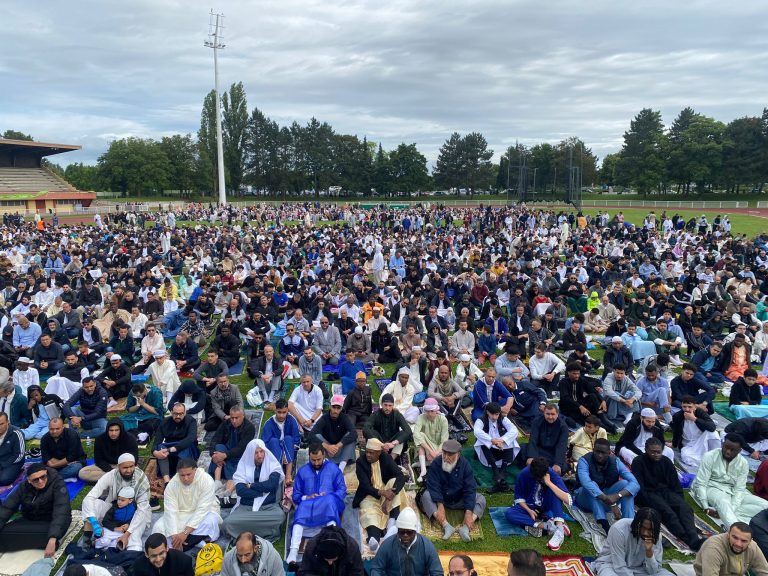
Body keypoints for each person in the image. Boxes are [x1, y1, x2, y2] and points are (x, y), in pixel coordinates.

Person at [633, 437, 705, 551]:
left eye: (659, 452)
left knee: (685, 509)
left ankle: (694, 537)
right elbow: (639, 488)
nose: (656, 454)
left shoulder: (666, 461)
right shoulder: (638, 462)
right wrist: (651, 503)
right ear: (646, 450)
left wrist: (679, 501)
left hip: (666, 491)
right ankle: (689, 540)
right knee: (668, 513)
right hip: (648, 493)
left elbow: (675, 485)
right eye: (653, 452)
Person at [285, 443, 347, 564]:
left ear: (324, 455)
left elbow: (342, 490)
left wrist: (329, 496)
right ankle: (293, 551)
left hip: (329, 503)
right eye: (313, 460)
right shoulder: (302, 471)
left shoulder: (334, 469)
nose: (316, 463)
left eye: (319, 459)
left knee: (329, 502)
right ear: (309, 457)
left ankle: (331, 541)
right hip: (309, 505)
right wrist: (307, 497)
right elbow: (296, 495)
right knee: (302, 507)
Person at [692, 434, 768, 528]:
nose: (728, 452)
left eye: (732, 450)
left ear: (739, 451)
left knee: (765, 505)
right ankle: (739, 533)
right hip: (712, 487)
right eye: (726, 447)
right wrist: (705, 507)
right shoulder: (710, 456)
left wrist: (732, 507)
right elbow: (701, 483)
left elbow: (739, 489)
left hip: (733, 491)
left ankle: (728, 513)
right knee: (723, 502)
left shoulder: (743, 463)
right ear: (723, 444)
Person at [82, 453, 151, 552]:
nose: (129, 470)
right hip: (115, 510)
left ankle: (130, 557)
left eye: (131, 466)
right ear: (118, 467)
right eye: (125, 467)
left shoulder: (141, 479)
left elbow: (142, 509)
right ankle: (87, 540)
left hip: (136, 514)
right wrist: (94, 522)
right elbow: (89, 498)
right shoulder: (111, 475)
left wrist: (127, 533)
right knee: (94, 503)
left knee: (133, 539)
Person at [420, 438, 485, 542]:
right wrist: (440, 506)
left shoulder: (465, 465)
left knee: (481, 498)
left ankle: (465, 528)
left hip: (459, 499)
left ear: (458, 454)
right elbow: (433, 485)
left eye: (450, 455)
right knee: (426, 495)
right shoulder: (436, 463)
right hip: (442, 499)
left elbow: (470, 489)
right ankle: (446, 526)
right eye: (444, 453)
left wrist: (468, 513)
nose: (446, 458)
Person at [0, 464, 71, 557]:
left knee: (47, 536)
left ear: (46, 473)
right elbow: (7, 507)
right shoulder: (23, 486)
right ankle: (38, 541)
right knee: (3, 532)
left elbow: (61, 510)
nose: (40, 481)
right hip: (30, 520)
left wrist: (53, 538)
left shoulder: (57, 483)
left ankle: (48, 541)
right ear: (29, 481)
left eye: (43, 477)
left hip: (51, 522)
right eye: (36, 480)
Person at [223, 438, 285, 542]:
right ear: (250, 454)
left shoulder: (273, 465)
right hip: (246, 507)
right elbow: (241, 491)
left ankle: (245, 532)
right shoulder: (243, 467)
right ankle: (262, 531)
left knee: (280, 516)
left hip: (268, 507)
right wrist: (263, 492)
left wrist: (251, 485)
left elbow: (271, 485)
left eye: (261, 451)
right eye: (256, 453)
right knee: (227, 523)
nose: (260, 455)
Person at [152, 458, 222, 550]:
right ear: (178, 473)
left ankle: (181, 546)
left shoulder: (207, 480)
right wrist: (174, 535)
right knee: (158, 527)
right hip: (181, 514)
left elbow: (202, 509)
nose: (185, 478)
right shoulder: (172, 485)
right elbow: (170, 511)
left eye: (189, 474)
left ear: (195, 470)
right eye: (182, 475)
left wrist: (184, 533)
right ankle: (192, 542)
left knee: (211, 521)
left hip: (205, 513)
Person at [504, 457, 572, 550]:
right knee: (509, 514)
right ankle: (549, 526)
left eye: (541, 477)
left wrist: (548, 483)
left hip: (546, 505)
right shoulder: (523, 474)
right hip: (529, 507)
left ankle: (559, 530)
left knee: (555, 492)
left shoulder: (551, 473)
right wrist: (529, 511)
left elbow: (568, 500)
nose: (539, 479)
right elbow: (519, 498)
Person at [576, 438, 641, 534]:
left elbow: (635, 484)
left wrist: (617, 496)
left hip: (608, 499)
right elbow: (586, 483)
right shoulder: (584, 461)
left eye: (603, 452)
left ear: (609, 453)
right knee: (592, 486)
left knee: (626, 485)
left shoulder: (616, 462)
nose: (599, 455)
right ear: (593, 450)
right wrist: (611, 502)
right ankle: (605, 525)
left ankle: (629, 523)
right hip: (585, 500)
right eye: (597, 452)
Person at [353, 437, 407, 551]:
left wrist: (389, 496)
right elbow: (364, 486)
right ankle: (374, 540)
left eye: (371, 453)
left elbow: (401, 476)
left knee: (395, 485)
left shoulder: (386, 458)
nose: (368, 455)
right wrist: (383, 493)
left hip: (386, 493)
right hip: (369, 495)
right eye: (367, 452)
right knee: (370, 515)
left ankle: (391, 526)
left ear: (379, 453)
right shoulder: (360, 462)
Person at [591, 509, 675, 576]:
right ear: (636, 523)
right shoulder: (619, 529)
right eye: (642, 527)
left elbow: (653, 571)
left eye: (650, 530)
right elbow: (619, 565)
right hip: (612, 566)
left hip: (640, 570)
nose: (645, 533)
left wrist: (649, 552)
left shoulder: (656, 536)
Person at [369, 507, 443, 576]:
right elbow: (376, 569)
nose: (405, 535)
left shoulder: (427, 547)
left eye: (409, 532)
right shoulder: (387, 545)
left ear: (415, 531)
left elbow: (437, 572)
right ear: (397, 530)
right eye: (401, 532)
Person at [473, 401, 520, 493]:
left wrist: (502, 440)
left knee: (511, 440)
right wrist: (492, 440)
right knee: (481, 441)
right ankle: (495, 469)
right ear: (487, 412)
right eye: (492, 414)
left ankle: (503, 469)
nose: (494, 417)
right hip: (489, 449)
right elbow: (477, 431)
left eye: (497, 414)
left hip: (501, 447)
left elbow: (514, 430)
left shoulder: (503, 419)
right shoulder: (481, 420)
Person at [208, 405, 256, 489]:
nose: (233, 421)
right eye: (232, 418)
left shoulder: (249, 428)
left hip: (239, 455)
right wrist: (213, 455)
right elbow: (215, 440)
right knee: (219, 447)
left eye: (236, 418)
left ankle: (228, 483)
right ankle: (217, 481)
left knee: (237, 469)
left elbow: (241, 448)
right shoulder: (226, 423)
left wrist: (224, 456)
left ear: (243, 416)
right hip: (225, 451)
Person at [694, 522, 768, 576]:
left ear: (750, 541)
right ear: (728, 534)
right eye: (735, 537)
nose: (738, 544)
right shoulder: (714, 548)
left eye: (744, 541)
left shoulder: (752, 547)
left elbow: (765, 571)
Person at [79, 418, 139, 483]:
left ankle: (113, 478)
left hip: (124, 465)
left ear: (121, 430)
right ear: (107, 430)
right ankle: (118, 478)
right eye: (111, 430)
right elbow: (99, 460)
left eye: (116, 430)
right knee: (82, 473)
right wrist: (111, 471)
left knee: (136, 472)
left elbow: (134, 459)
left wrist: (123, 468)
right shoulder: (100, 439)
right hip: (106, 466)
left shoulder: (130, 439)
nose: (113, 433)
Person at [152, 402, 199, 484]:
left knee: (185, 448)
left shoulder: (191, 421)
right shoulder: (165, 422)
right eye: (175, 414)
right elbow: (157, 442)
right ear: (171, 412)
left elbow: (190, 439)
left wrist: (170, 450)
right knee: (160, 447)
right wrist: (155, 452)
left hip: (185, 447)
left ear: (185, 413)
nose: (178, 416)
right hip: (169, 447)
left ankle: (180, 478)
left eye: (181, 414)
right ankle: (167, 481)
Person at [308, 394, 357, 472]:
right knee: (317, 436)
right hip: (326, 450)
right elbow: (311, 435)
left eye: (338, 408)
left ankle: (340, 469)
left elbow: (354, 433)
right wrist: (327, 447)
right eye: (334, 407)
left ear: (341, 408)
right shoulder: (324, 418)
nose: (336, 411)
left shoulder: (344, 417)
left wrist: (337, 446)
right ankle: (326, 463)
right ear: (330, 406)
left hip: (340, 448)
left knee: (351, 437)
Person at [671, 395, 720, 471]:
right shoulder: (678, 416)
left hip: (701, 440)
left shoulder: (700, 413)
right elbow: (676, 432)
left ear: (694, 406)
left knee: (713, 434)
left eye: (690, 407)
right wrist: (674, 444)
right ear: (681, 406)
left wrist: (694, 419)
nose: (687, 409)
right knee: (686, 456)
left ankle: (716, 457)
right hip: (688, 444)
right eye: (684, 407)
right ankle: (708, 463)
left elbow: (712, 427)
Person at [297, 524, 364, 576]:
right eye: (327, 560)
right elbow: (305, 571)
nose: (330, 563)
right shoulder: (312, 546)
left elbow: (357, 572)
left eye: (333, 559)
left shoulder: (352, 548)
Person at [363, 393, 413, 459]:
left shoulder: (397, 414)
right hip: (379, 443)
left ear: (393, 405)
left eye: (390, 405)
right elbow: (365, 429)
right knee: (371, 432)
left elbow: (408, 431)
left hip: (393, 444)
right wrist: (381, 444)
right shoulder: (375, 414)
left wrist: (393, 443)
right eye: (385, 405)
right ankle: (379, 456)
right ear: (381, 404)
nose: (387, 408)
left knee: (403, 434)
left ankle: (391, 460)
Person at [523, 404, 570, 474]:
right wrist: (531, 456)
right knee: (522, 448)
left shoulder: (563, 426)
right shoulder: (537, 421)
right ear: (544, 413)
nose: (550, 417)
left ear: (557, 414)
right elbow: (533, 439)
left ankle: (539, 466)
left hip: (552, 453)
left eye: (553, 414)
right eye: (547, 414)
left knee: (562, 467)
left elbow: (561, 446)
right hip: (539, 450)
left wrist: (557, 464)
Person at [262, 398, 301, 481]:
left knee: (288, 438)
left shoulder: (292, 420)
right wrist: (281, 452)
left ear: (287, 411)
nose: (281, 415)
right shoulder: (269, 423)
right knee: (274, 441)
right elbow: (265, 444)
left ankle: (288, 476)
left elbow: (297, 441)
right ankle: (279, 474)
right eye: (279, 412)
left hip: (290, 454)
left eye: (284, 412)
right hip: (274, 456)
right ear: (275, 410)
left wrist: (285, 454)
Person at [413, 397, 449, 482]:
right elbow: (416, 434)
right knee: (420, 435)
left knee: (444, 464)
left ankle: (423, 464)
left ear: (436, 410)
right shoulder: (421, 417)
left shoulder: (443, 419)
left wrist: (436, 453)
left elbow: (444, 439)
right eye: (427, 411)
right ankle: (423, 470)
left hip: (439, 448)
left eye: (432, 411)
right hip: (426, 445)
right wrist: (429, 451)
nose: (429, 414)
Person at [221, 531, 285, 576]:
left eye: (247, 555)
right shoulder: (227, 559)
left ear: (255, 549)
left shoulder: (273, 556)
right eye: (239, 555)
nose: (243, 560)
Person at [94, 485, 138, 550]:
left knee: (117, 544)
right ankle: (95, 543)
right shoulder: (114, 508)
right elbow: (105, 521)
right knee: (105, 542)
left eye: (122, 500)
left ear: (130, 500)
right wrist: (116, 528)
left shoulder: (134, 507)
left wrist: (128, 524)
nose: (119, 502)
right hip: (110, 530)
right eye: (119, 499)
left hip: (122, 533)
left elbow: (135, 518)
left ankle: (107, 551)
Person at [0, 411, 25, 485]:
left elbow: (20, 455)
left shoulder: (17, 433)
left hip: (13, 462)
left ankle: (19, 471)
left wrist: (3, 464)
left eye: (2, 424)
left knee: (4, 479)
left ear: (7, 422)